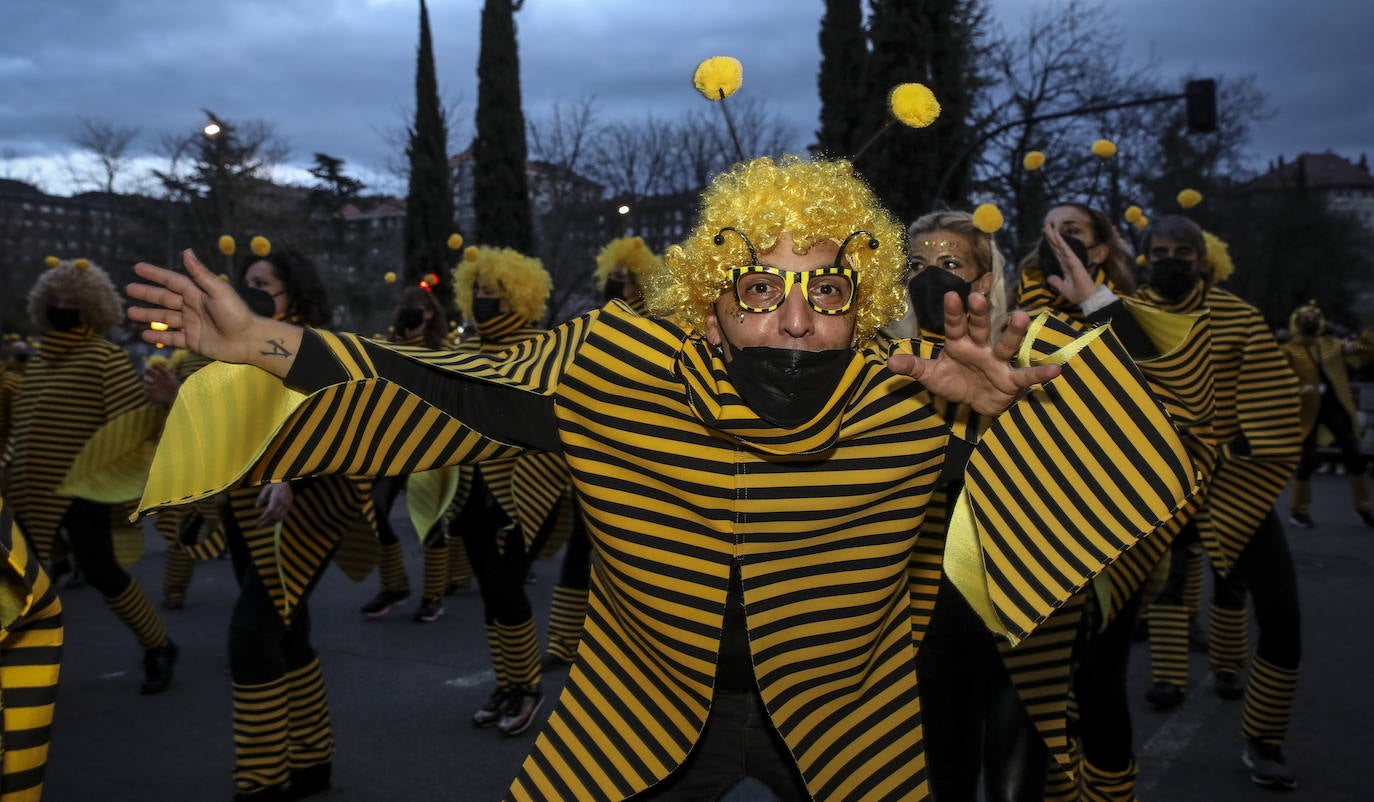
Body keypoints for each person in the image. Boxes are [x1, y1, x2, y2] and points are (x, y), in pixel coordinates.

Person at [128, 155, 1198, 801]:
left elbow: (1131, 495)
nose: (791, 315)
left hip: (850, 723)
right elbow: (460, 387)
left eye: (825, 288)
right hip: (634, 710)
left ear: (863, 296)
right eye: (759, 285)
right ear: (704, 296)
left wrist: (1009, 427)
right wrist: (269, 343)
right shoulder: (617, 362)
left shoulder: (916, 392)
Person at [1014, 203, 1219, 800]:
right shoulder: (1011, 311)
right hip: (1033, 531)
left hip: (1113, 537)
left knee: (1101, 683)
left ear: (1101, 250)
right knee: (1043, 696)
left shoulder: (1130, 314)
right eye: (1046, 227)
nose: (1054, 239)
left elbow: (1172, 392)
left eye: (1071, 232)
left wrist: (1095, 302)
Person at [1134, 216, 1304, 790]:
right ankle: (1168, 678)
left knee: (1280, 612)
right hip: (1160, 483)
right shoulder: (1124, 314)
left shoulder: (1239, 316)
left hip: (1232, 486)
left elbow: (1270, 399)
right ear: (1144, 257)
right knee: (1171, 582)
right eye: (1160, 251)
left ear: (1203, 259)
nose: (1171, 260)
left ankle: (1264, 737)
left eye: (1183, 251)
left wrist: (1228, 444)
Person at [904, 210, 1058, 802]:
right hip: (928, 603)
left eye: (950, 265)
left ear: (984, 280)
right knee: (944, 765)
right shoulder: (880, 364)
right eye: (916, 265)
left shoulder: (1029, 349)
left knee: (1022, 761)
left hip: (1025, 596)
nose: (930, 277)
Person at [3, 257, 178, 695]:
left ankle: (158, 645)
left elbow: (127, 424)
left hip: (85, 489)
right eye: (56, 299)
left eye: (72, 301)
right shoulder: (38, 362)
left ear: (92, 307)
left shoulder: (105, 358)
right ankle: (21, 659)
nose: (63, 307)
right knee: (21, 577)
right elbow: (23, 427)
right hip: (29, 491)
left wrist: (160, 408)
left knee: (103, 572)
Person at [358, 283, 459, 622]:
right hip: (391, 448)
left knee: (428, 521)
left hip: (429, 449)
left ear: (431, 314)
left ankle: (433, 595)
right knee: (375, 511)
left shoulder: (442, 349)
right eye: (406, 307)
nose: (412, 312)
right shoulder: (388, 346)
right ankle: (394, 585)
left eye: (419, 308)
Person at [1280, 300, 1374, 528]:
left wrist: (1367, 336)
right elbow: (1281, 379)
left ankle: (1364, 508)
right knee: (1307, 458)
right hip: (1306, 410)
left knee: (1353, 454)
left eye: (1314, 317)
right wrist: (1302, 388)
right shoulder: (1289, 350)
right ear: (1296, 323)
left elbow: (1358, 352)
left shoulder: (1331, 344)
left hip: (1334, 407)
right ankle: (1298, 510)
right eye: (1305, 318)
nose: (1311, 321)